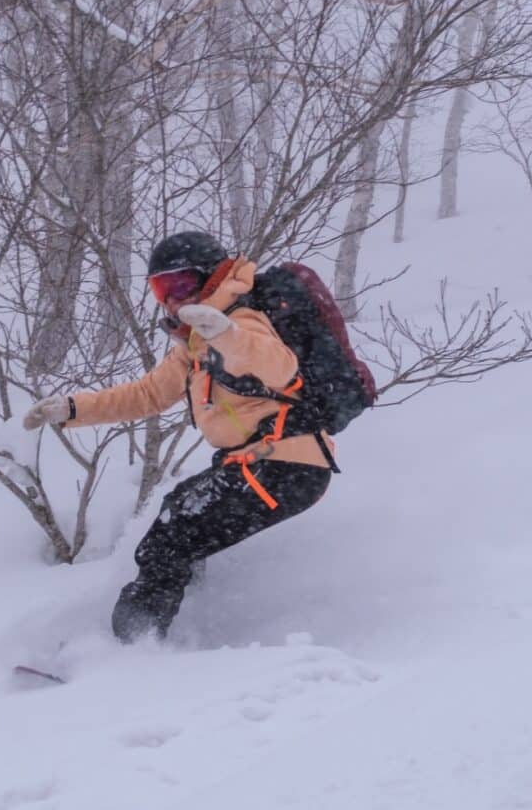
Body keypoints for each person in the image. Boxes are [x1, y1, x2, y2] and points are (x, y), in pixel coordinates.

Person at [22, 229, 334, 642]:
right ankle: (179, 631)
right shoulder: (195, 343)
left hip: (285, 464)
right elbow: (149, 394)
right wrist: (73, 408)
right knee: (178, 518)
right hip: (256, 466)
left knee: (170, 535)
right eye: (160, 290)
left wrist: (227, 334)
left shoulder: (241, 320)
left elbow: (280, 368)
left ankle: (132, 647)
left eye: (179, 285)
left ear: (209, 278)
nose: (171, 300)